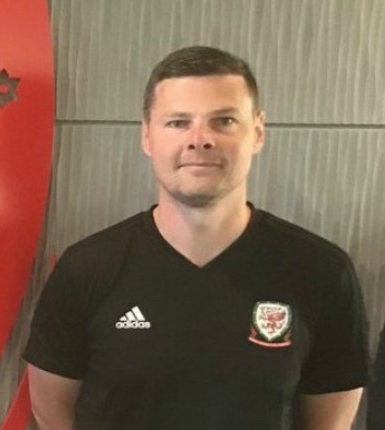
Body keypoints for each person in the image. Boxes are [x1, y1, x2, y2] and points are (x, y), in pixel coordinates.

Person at [24, 46, 370, 429]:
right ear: (147, 136)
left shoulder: (322, 272)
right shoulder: (86, 268)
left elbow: (330, 424)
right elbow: (52, 413)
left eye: (224, 121)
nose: (200, 139)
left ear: (257, 133)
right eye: (178, 122)